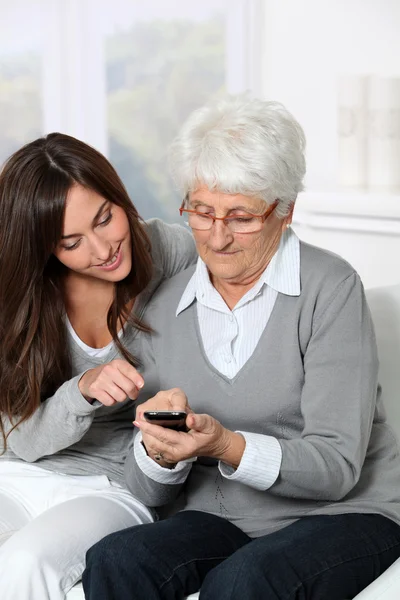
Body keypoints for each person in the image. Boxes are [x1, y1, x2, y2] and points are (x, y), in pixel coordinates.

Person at [83, 96, 400, 600]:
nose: (218, 237)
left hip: (346, 512)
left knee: (244, 581)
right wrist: (161, 452)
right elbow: (145, 491)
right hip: (223, 517)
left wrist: (224, 444)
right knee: (116, 558)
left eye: (241, 217)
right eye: (202, 212)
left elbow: (338, 467)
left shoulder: (331, 288)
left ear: (285, 210)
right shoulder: (162, 306)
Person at [0, 132, 197, 600]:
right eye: (72, 243)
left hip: (110, 485)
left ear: (118, 195)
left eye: (106, 218)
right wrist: (81, 389)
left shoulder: (170, 251)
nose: (103, 248)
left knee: (25, 564)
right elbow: (21, 440)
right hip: (21, 472)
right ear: (46, 249)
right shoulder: (25, 301)